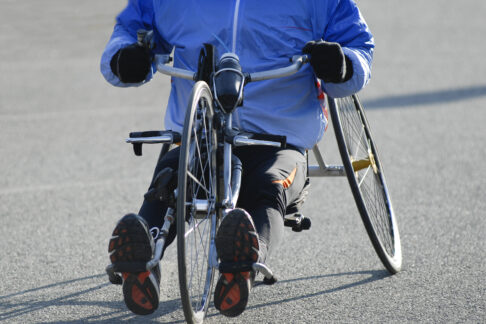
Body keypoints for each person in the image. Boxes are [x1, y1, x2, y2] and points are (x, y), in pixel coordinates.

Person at [101, 0, 374, 317]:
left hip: (279, 137)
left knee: (270, 184)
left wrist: (343, 64)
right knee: (170, 177)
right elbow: (132, 28)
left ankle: (242, 265)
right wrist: (125, 59)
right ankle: (143, 259)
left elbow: (358, 46)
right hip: (202, 134)